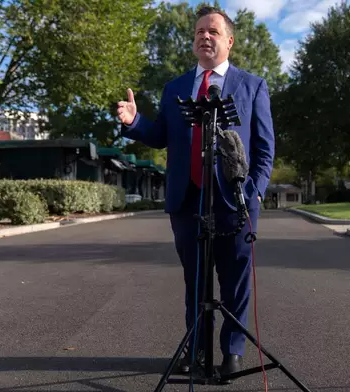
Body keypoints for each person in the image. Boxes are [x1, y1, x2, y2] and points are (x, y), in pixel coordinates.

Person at [117, 6, 274, 378]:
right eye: (199, 31)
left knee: (235, 281)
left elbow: (265, 148)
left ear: (229, 41)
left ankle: (233, 352)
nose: (205, 36)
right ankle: (197, 349)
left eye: (213, 31)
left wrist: (257, 193)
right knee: (196, 281)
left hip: (235, 200)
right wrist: (134, 121)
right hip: (187, 201)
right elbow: (160, 136)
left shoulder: (252, 86)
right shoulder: (175, 88)